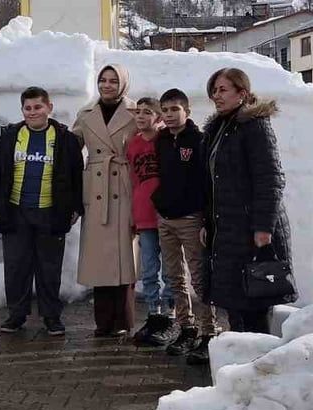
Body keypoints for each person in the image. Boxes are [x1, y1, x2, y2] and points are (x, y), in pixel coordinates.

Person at [201, 68, 295, 343]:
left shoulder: (254, 126)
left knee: (254, 299)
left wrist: (263, 227)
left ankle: (260, 364)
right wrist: (208, 222)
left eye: (223, 90)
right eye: (214, 91)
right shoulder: (220, 127)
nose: (216, 96)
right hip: (226, 229)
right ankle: (240, 362)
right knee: (233, 300)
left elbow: (270, 179)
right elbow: (212, 184)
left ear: (242, 93)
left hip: (250, 229)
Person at [0, 86, 83, 336]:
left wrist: (75, 207)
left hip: (50, 214)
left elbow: (76, 177)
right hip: (16, 213)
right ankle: (16, 315)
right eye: (27, 108)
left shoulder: (65, 139)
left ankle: (51, 317)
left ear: (49, 108)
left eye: (38, 107)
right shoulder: (10, 136)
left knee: (49, 269)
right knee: (17, 267)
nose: (32, 112)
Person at [72, 65, 138, 337]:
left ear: (123, 84)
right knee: (99, 260)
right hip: (97, 190)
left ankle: (123, 321)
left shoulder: (137, 112)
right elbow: (70, 147)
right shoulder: (86, 114)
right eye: (103, 80)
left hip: (123, 187)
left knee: (123, 257)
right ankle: (103, 322)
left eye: (113, 81)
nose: (107, 85)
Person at [153, 88, 217, 363]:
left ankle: (209, 332)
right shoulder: (161, 140)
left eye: (174, 110)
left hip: (191, 219)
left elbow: (208, 183)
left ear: (187, 112)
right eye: (164, 110)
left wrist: (206, 218)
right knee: (174, 277)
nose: (168, 115)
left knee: (199, 276)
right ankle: (187, 327)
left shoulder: (200, 140)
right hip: (165, 219)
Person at [126, 97, 173, 347]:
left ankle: (170, 315)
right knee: (148, 269)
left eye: (148, 112)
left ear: (158, 117)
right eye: (138, 112)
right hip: (143, 213)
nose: (142, 116)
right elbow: (133, 180)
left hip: (165, 214)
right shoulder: (132, 145)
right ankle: (154, 315)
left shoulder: (165, 141)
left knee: (171, 268)